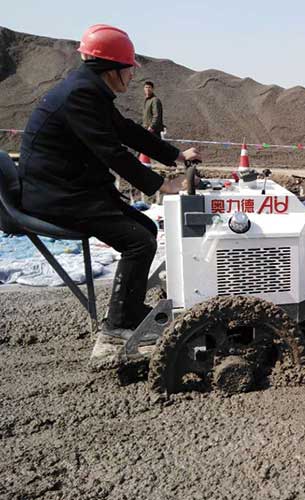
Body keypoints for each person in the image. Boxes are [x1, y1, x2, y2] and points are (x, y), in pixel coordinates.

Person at [18, 24, 201, 358]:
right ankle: (115, 332)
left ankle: (127, 312)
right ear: (112, 68)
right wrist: (162, 185)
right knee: (138, 240)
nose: (132, 75)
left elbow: (126, 131)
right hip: (56, 195)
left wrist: (176, 155)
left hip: (69, 186)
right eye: (129, 68)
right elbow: (111, 152)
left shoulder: (88, 90)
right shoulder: (81, 95)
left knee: (144, 228)